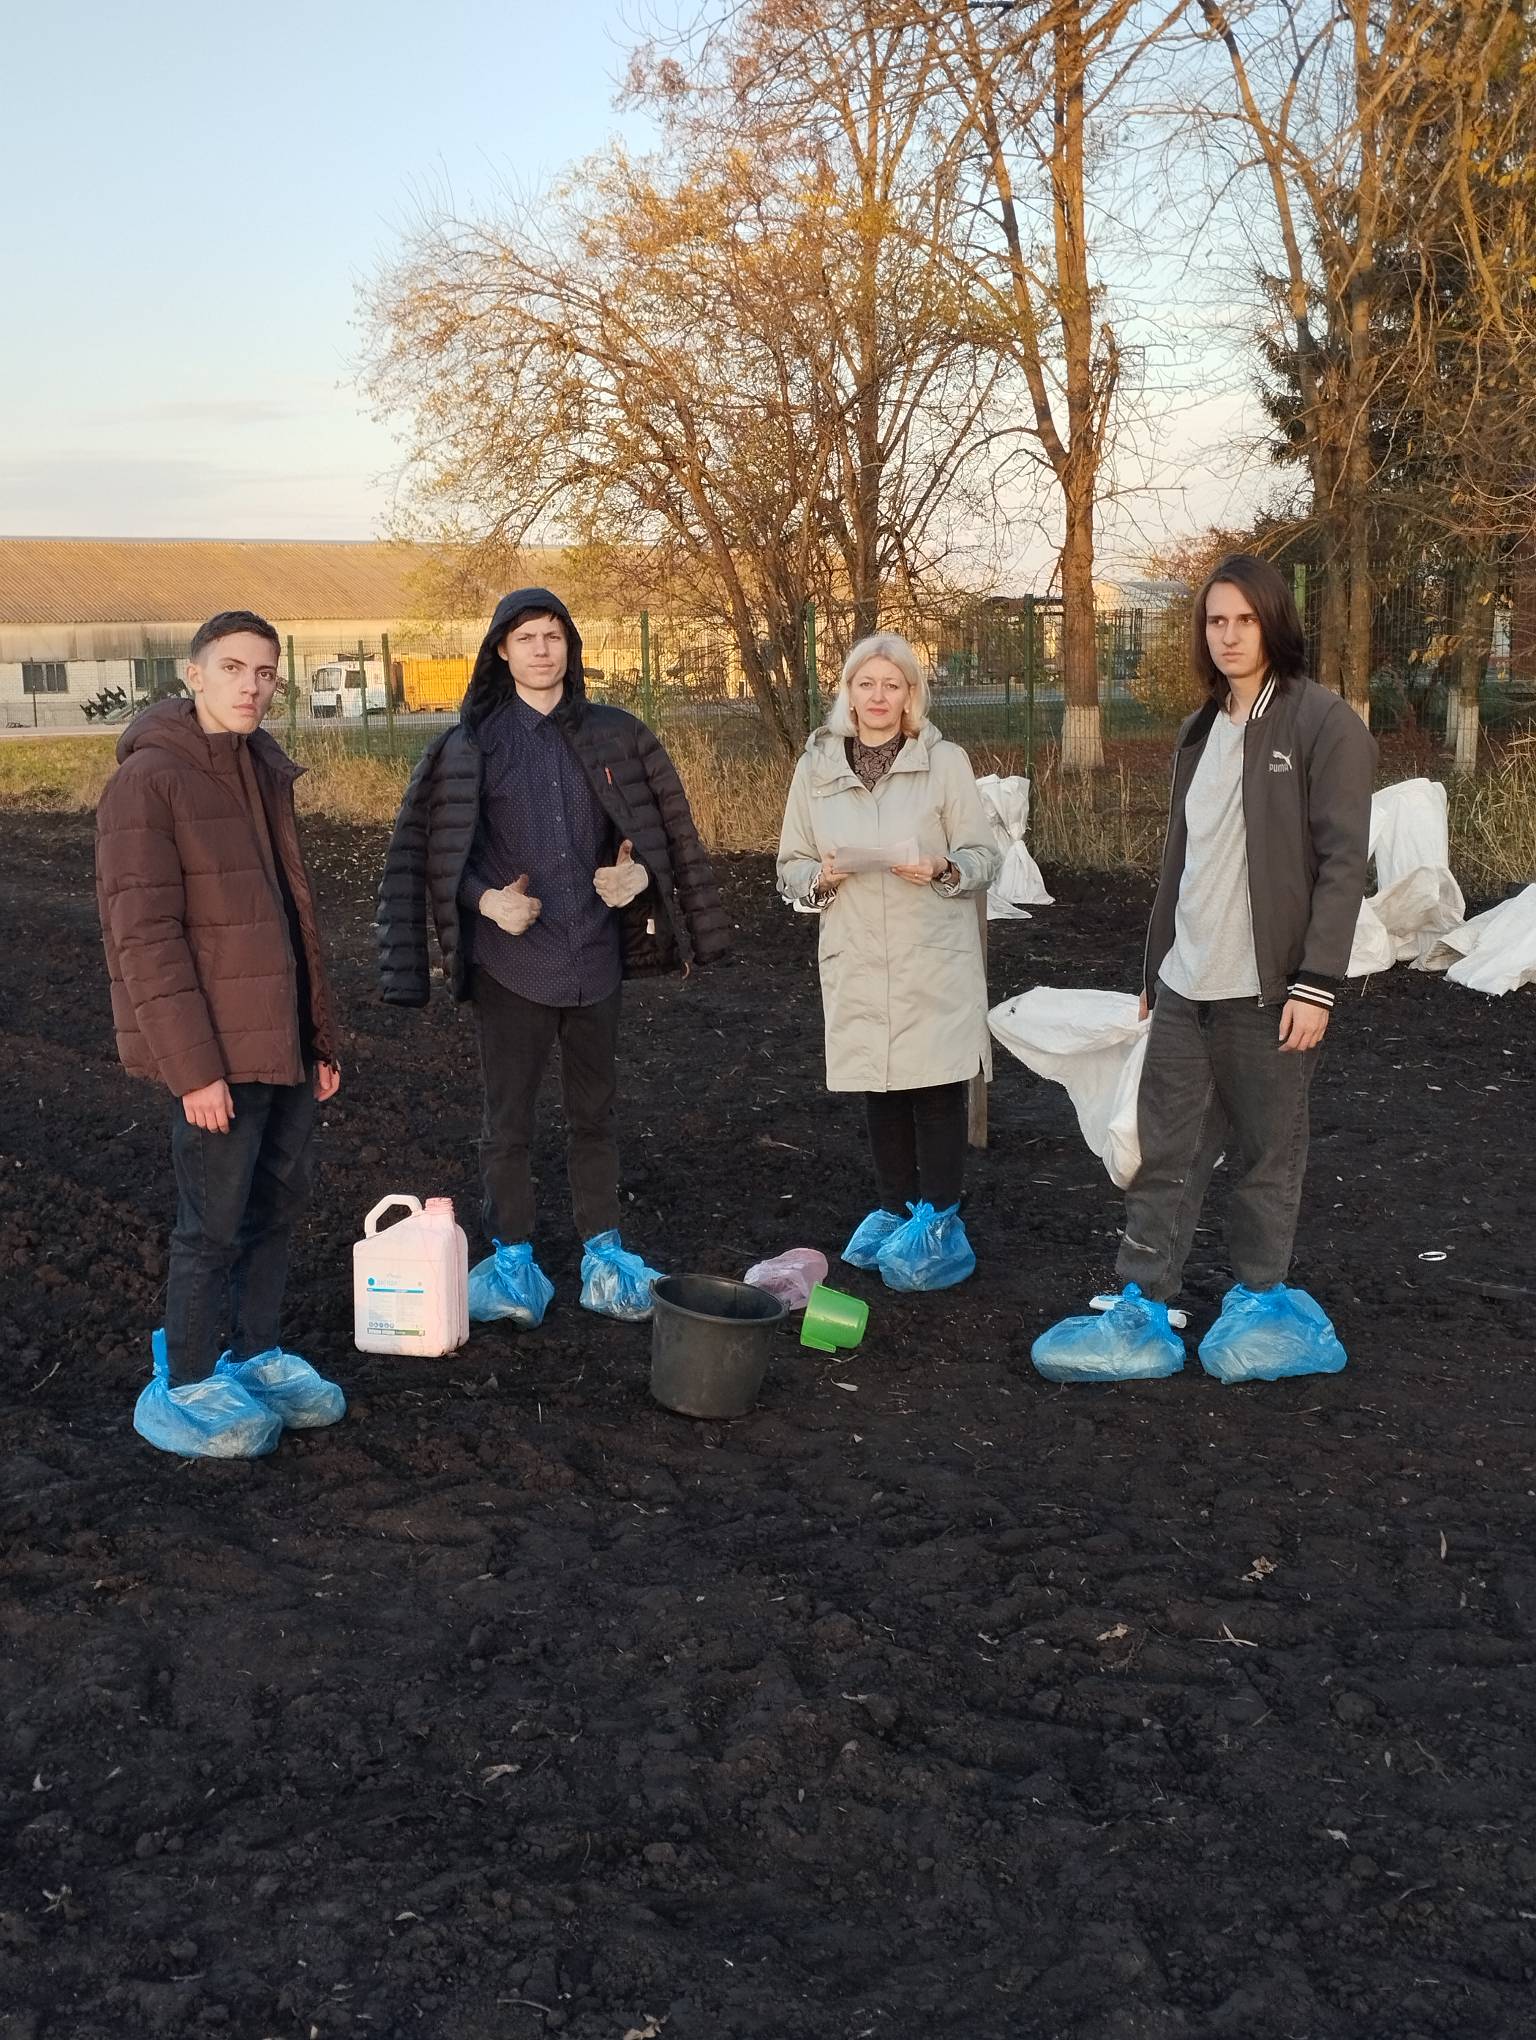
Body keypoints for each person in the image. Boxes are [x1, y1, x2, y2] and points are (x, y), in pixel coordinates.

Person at [1033, 554, 1377, 1380]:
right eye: (1215, 622)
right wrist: (1154, 971)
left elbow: (1343, 865)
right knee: (1165, 1154)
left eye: (1244, 620)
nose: (1228, 636)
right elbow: (1181, 864)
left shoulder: (1324, 725)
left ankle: (1262, 1305)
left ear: (1273, 623)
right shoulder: (1199, 730)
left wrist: (1316, 983)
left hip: (1271, 994)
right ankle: (1142, 1310)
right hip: (1188, 990)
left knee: (1268, 1155)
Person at [376, 587, 731, 1324]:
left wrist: (639, 880)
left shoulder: (617, 737)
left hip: (594, 959)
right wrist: (485, 901)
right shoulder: (470, 745)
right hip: (513, 966)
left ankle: (604, 1254)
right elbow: (436, 856)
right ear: (501, 651)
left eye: (554, 636)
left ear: (571, 647)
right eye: (527, 637)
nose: (542, 650)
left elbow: (665, 839)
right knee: (508, 1122)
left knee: (594, 1115)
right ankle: (512, 1260)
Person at [95, 611, 346, 1458]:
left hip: (280, 1045)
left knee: (275, 1207)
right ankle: (189, 1378)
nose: (251, 686)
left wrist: (318, 1041)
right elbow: (145, 937)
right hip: (216, 1055)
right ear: (192, 674)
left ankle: (256, 1350)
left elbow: (288, 915)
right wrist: (192, 1069)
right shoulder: (151, 781)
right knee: (210, 1222)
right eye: (233, 667)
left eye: (266, 673)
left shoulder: (261, 768)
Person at [776, 631, 998, 1291]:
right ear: (848, 692)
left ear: (910, 696)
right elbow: (790, 866)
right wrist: (824, 875)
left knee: (935, 1085)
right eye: (866, 684)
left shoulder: (944, 762)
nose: (878, 697)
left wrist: (940, 865)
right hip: (860, 952)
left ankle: (940, 1223)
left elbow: (985, 858)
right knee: (880, 1085)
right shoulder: (816, 767)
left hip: (931, 948)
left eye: (892, 685)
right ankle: (896, 1208)